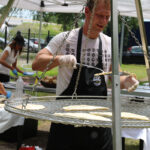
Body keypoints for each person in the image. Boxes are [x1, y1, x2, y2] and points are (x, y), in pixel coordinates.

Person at [32, 0, 139, 149]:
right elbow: (36, 63)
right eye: (100, 15)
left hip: (99, 125)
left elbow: (116, 77)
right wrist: (60, 59)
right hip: (66, 124)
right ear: (87, 12)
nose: (104, 21)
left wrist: (127, 81)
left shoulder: (109, 43)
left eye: (107, 17)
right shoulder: (66, 39)